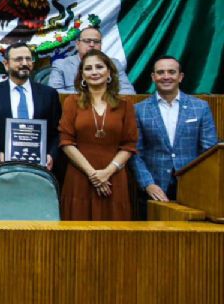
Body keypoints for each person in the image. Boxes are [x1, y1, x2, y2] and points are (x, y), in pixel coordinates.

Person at [130, 56, 218, 211]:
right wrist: (147, 184)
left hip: (194, 188)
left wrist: (202, 183)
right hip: (154, 190)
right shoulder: (139, 110)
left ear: (180, 77)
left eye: (171, 72)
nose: (166, 77)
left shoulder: (200, 107)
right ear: (153, 77)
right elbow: (136, 152)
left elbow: (210, 151)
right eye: (160, 72)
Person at [59, 49, 138, 221]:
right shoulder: (71, 102)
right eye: (88, 68)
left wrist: (107, 173)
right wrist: (93, 174)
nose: (94, 72)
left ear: (109, 72)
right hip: (80, 177)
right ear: (82, 75)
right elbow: (66, 142)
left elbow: (129, 145)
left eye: (99, 67)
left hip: (114, 178)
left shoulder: (125, 104)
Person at [0, 42, 62, 173]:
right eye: (18, 59)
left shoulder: (49, 94)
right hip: (1, 168)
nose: (25, 63)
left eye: (28, 59)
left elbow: (57, 131)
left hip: (40, 169)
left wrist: (51, 155)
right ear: (6, 65)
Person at [48, 26, 135, 94]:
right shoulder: (61, 64)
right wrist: (92, 96)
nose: (92, 45)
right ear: (77, 44)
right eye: (87, 41)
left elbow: (128, 92)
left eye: (96, 42)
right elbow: (54, 92)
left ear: (101, 45)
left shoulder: (114, 63)